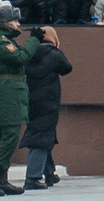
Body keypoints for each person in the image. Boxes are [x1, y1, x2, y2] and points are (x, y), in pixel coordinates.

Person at [0, 2, 36, 197]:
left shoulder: (4, 39)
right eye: (14, 21)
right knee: (9, 135)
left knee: (7, 136)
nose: (18, 25)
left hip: (11, 89)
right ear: (5, 23)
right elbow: (20, 57)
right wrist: (34, 40)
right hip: (7, 90)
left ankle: (1, 178)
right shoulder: (0, 42)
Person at [20, 25, 74, 189]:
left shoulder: (28, 53)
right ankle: (32, 177)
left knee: (42, 134)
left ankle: (49, 173)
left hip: (31, 100)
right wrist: (56, 48)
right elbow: (67, 68)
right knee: (41, 138)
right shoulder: (54, 54)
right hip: (48, 101)